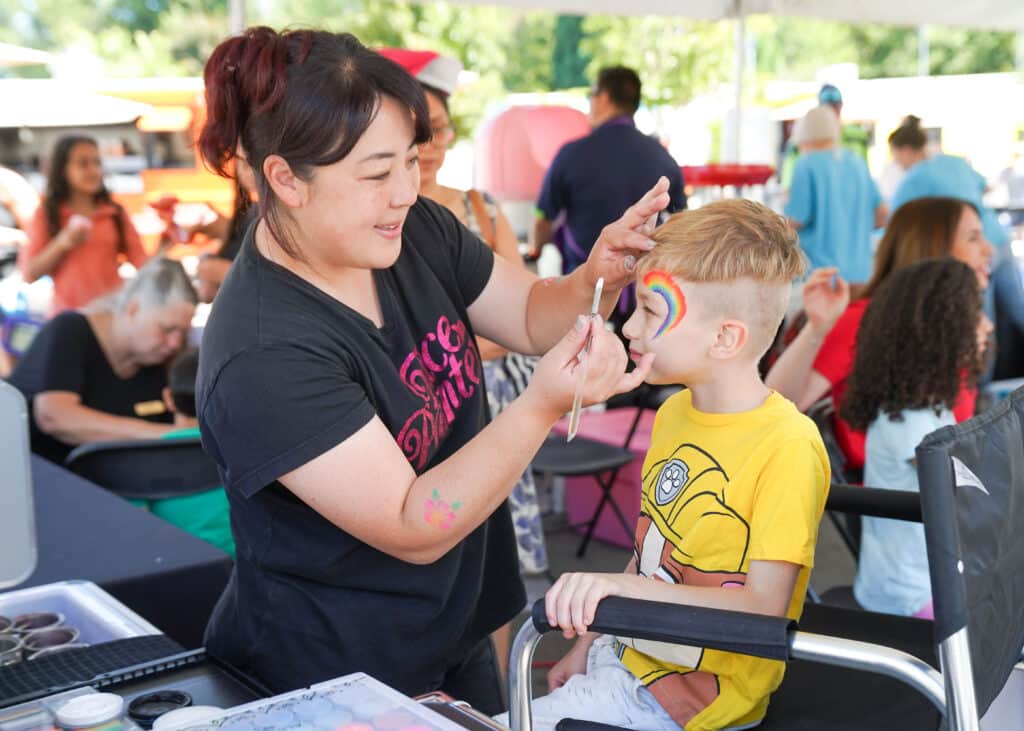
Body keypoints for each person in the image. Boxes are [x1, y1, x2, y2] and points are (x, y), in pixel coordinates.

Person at [194, 27, 661, 711]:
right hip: (332, 674)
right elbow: (413, 522)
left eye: (411, 161)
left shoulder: (414, 232)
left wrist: (599, 273)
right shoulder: (264, 352)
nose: (407, 191)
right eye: (378, 174)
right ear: (287, 179)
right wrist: (541, 405)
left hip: (453, 628)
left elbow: (532, 312)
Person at [505, 199, 829, 731]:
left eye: (651, 311)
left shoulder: (788, 446)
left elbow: (765, 608)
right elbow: (649, 555)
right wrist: (590, 643)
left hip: (689, 705)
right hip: (627, 663)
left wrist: (618, 596)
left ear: (725, 338)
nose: (629, 327)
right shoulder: (676, 413)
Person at [380, 47, 548, 578]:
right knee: (427, 538)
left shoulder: (479, 206)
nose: (430, 146)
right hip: (414, 401)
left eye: (441, 129)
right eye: (418, 132)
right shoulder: (377, 222)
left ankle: (496, 665)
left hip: (490, 393)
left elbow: (526, 303)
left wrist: (450, 351)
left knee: (494, 559)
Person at [766, 197, 993, 472]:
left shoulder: (951, 324)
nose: (988, 249)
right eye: (973, 238)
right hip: (902, 496)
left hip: (946, 482)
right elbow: (778, 403)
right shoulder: (866, 319)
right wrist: (817, 330)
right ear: (934, 249)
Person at [842, 258, 991, 617]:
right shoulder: (910, 424)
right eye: (976, 313)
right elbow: (975, 500)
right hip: (911, 598)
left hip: (920, 581)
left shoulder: (926, 404)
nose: (986, 324)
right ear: (942, 328)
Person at [6, 257, 196, 464]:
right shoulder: (70, 330)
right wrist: (165, 436)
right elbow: (54, 417)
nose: (175, 343)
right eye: (167, 329)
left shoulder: (164, 358)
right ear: (133, 310)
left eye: (182, 333)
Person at [531, 66, 686, 275]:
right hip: (640, 289)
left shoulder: (572, 154)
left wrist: (536, 251)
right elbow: (681, 221)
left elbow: (543, 218)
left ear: (603, 98)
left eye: (591, 95)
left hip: (583, 287)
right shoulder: (662, 157)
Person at [122, 348, 235, 556]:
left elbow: (133, 529)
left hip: (174, 567)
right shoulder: (241, 449)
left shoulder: (143, 459)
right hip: (239, 568)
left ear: (168, 398)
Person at [19, 135, 147, 314]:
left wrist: (166, 243)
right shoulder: (48, 215)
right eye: (83, 163)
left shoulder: (114, 212)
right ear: (62, 170)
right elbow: (29, 273)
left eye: (96, 162)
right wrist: (62, 243)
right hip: (69, 319)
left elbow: (143, 264)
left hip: (111, 317)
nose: (94, 170)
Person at [784, 105, 886, 285]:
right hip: (861, 275)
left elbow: (796, 219)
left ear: (803, 138)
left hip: (821, 276)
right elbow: (882, 214)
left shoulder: (806, 164)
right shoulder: (858, 163)